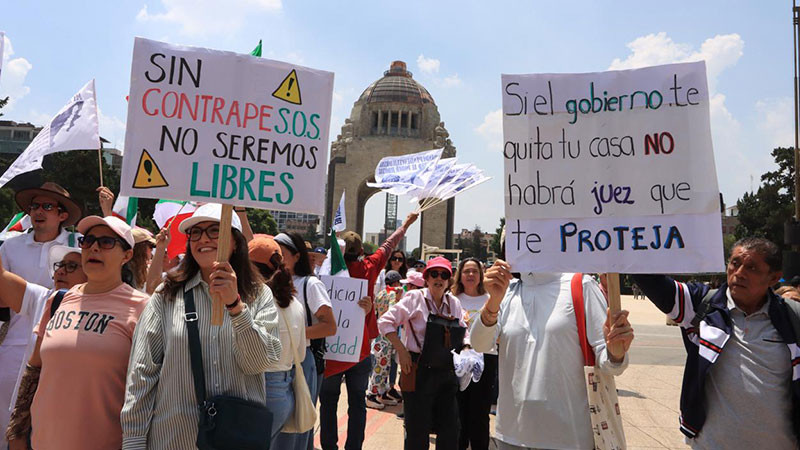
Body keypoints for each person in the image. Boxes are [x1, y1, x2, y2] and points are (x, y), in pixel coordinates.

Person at [121, 203, 282, 449]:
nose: (203, 238)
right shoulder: (167, 294)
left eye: (214, 230)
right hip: (175, 439)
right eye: (195, 232)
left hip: (235, 439)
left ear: (236, 241)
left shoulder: (258, 295)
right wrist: (133, 440)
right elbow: (142, 372)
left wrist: (235, 307)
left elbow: (259, 362)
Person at [632, 237, 800, 449]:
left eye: (752, 267)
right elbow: (646, 278)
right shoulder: (702, 305)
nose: (739, 273)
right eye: (735, 263)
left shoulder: (792, 319)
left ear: (774, 277)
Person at [6, 215, 148, 450]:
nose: (93, 247)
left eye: (106, 242)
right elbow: (34, 370)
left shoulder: (143, 307)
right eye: (88, 240)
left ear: (127, 255)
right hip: (43, 443)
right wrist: (17, 431)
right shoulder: (58, 300)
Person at [469, 259, 633, 450]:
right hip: (511, 435)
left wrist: (616, 353)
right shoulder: (508, 292)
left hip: (569, 438)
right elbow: (479, 344)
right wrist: (493, 301)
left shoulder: (581, 285)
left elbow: (610, 363)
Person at [320, 211, 418, 450]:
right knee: (357, 403)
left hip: (330, 351)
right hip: (360, 349)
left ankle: (329, 446)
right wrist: (405, 224)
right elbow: (388, 245)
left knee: (329, 402)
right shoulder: (370, 266)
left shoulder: (325, 272)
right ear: (361, 252)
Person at [0, 244, 86, 449]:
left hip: (78, 426)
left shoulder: (110, 309)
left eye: (72, 266)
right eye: (59, 265)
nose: (61, 271)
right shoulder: (44, 299)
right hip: (32, 425)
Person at [378, 256, 467, 449]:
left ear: (449, 280)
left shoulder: (454, 303)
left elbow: (464, 331)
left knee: (450, 430)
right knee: (417, 432)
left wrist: (468, 350)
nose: (439, 278)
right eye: (434, 273)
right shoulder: (414, 298)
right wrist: (401, 350)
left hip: (446, 371)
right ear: (426, 278)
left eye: (444, 274)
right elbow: (385, 322)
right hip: (418, 370)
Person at [272, 231, 335, 450]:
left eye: (280, 252)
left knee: (295, 426)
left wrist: (293, 333)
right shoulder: (270, 282)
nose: (275, 257)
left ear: (296, 256)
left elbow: (329, 326)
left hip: (299, 360)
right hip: (273, 359)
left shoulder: (310, 284)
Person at [249, 235, 308, 443]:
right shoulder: (295, 305)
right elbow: (300, 355)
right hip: (282, 393)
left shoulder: (247, 302)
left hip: (255, 390)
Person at [450, 258, 494, 450]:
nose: (470, 275)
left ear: (481, 274)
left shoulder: (490, 298)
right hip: (459, 359)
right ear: (460, 275)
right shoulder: (452, 299)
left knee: (480, 411)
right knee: (459, 410)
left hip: (487, 357)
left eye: (474, 271)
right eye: (466, 271)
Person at [366, 269, 403, 409]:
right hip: (386, 336)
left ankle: (381, 393)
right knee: (380, 368)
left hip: (379, 335)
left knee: (383, 366)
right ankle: (372, 394)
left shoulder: (381, 293)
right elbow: (393, 312)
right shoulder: (392, 294)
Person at [128, 228, 156, 292]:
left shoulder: (141, 269)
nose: (152, 250)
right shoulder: (126, 271)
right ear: (140, 248)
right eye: (151, 246)